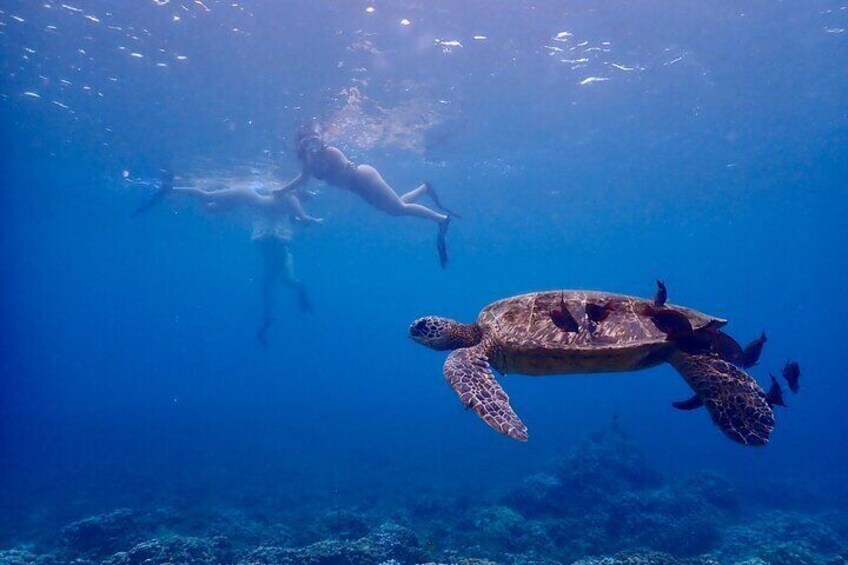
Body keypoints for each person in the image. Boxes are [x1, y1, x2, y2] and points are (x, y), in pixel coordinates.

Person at [132, 172, 320, 347]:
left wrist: (301, 220)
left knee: (278, 283)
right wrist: (309, 219)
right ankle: (171, 189)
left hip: (276, 252)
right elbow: (301, 215)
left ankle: (273, 316)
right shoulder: (288, 198)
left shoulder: (282, 205)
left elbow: (296, 217)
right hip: (274, 249)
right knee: (278, 283)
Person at [273, 121, 458, 268]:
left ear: (321, 138)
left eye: (315, 138)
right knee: (393, 208)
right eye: (307, 141)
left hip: (365, 178)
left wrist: (345, 170)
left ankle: (441, 219)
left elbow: (346, 168)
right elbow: (303, 178)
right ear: (301, 144)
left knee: (398, 208)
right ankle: (424, 188)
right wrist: (283, 190)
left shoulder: (330, 151)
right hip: (358, 187)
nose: (312, 144)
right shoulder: (308, 160)